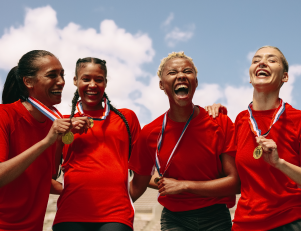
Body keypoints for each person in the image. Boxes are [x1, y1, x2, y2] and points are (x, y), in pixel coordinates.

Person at [129, 52, 240, 231]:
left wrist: (183, 185)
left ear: (195, 81)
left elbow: (235, 183)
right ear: (161, 84)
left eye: (187, 71)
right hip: (175, 219)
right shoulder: (149, 133)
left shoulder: (220, 122)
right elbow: (137, 186)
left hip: (216, 218)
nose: (181, 75)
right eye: (172, 72)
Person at [207, 46, 301, 230]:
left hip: (289, 221)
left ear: (285, 76)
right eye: (256, 60)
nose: (262, 62)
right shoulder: (240, 121)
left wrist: (279, 163)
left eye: (272, 60)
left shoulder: (298, 120)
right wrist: (216, 118)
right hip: (245, 224)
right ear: (250, 76)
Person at [52, 57, 141, 231]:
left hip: (116, 213)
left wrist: (126, 197)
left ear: (105, 83)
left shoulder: (127, 118)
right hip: (70, 212)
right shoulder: (62, 123)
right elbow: (51, 173)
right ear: (75, 81)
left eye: (98, 79)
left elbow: (141, 167)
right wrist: (58, 139)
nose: (92, 84)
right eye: (86, 79)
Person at [0, 50, 75, 231]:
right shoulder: (4, 115)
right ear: (28, 82)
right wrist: (46, 142)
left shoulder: (53, 123)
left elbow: (42, 178)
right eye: (52, 75)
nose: (61, 81)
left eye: (62, 74)